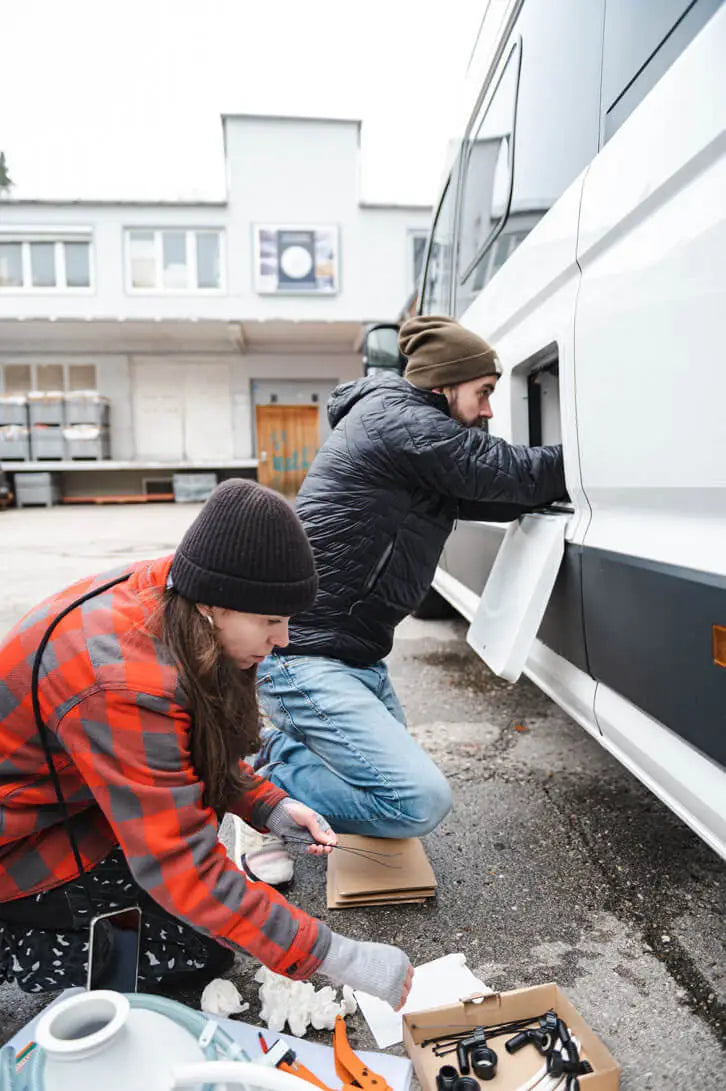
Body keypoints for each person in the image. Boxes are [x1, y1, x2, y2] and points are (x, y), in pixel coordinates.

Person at [0, 480, 412, 1008]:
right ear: (216, 606)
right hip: (22, 844)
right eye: (271, 621)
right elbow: (185, 869)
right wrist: (342, 958)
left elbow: (184, 755)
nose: (283, 639)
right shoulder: (127, 682)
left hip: (75, 805)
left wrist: (272, 805)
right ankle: (18, 937)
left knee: (223, 920)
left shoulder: (180, 595)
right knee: (196, 949)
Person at [241, 314, 566, 883]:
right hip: (307, 658)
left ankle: (278, 759)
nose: (489, 409)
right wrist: (605, 452)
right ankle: (257, 774)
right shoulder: (402, 422)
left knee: (378, 789)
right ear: (444, 384)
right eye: (484, 392)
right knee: (414, 803)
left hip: (350, 658)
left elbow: (496, 496)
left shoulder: (409, 432)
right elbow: (511, 474)